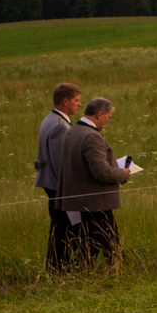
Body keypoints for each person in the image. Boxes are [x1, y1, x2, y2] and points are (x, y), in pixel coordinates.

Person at [56, 97, 132, 269]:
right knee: (103, 236)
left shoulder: (72, 131)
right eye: (108, 117)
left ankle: (109, 266)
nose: (108, 121)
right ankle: (113, 267)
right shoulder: (91, 136)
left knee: (95, 237)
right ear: (99, 115)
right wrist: (122, 173)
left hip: (78, 198)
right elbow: (101, 172)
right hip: (95, 200)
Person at [34, 82, 81, 272]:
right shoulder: (60, 126)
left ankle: (57, 266)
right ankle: (59, 267)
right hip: (59, 186)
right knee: (64, 228)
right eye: (76, 100)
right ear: (65, 102)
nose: (79, 104)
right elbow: (61, 162)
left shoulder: (49, 120)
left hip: (53, 184)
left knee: (59, 227)